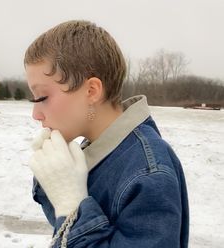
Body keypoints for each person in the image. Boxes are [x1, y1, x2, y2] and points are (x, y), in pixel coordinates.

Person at [24, 20, 189, 248]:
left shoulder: (149, 173)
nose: (36, 114)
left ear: (91, 91)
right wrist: (53, 179)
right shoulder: (96, 151)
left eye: (41, 98)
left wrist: (73, 208)